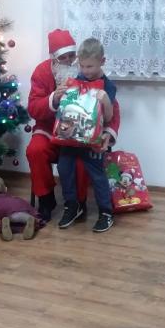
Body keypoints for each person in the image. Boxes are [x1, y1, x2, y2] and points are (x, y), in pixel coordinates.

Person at [27, 29, 120, 221]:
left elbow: (112, 107)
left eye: (72, 55)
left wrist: (108, 132)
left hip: (78, 132)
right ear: (54, 57)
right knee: (35, 151)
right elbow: (33, 108)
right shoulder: (42, 72)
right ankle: (45, 200)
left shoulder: (85, 70)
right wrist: (54, 98)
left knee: (79, 157)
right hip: (48, 129)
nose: (69, 60)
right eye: (63, 57)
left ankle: (79, 203)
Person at [57, 38, 118, 234]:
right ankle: (72, 206)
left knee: (97, 175)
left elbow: (109, 117)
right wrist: (62, 94)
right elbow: (68, 107)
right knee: (64, 167)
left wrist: (105, 100)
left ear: (102, 61)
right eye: (82, 66)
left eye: (90, 66)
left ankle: (106, 212)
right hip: (71, 137)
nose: (86, 71)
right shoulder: (78, 79)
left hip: (94, 140)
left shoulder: (108, 86)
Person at [0, 174, 42, 241]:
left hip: (7, 215)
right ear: (6, 189)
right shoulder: (11, 198)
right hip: (20, 208)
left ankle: (0, 225)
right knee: (25, 217)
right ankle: (32, 221)